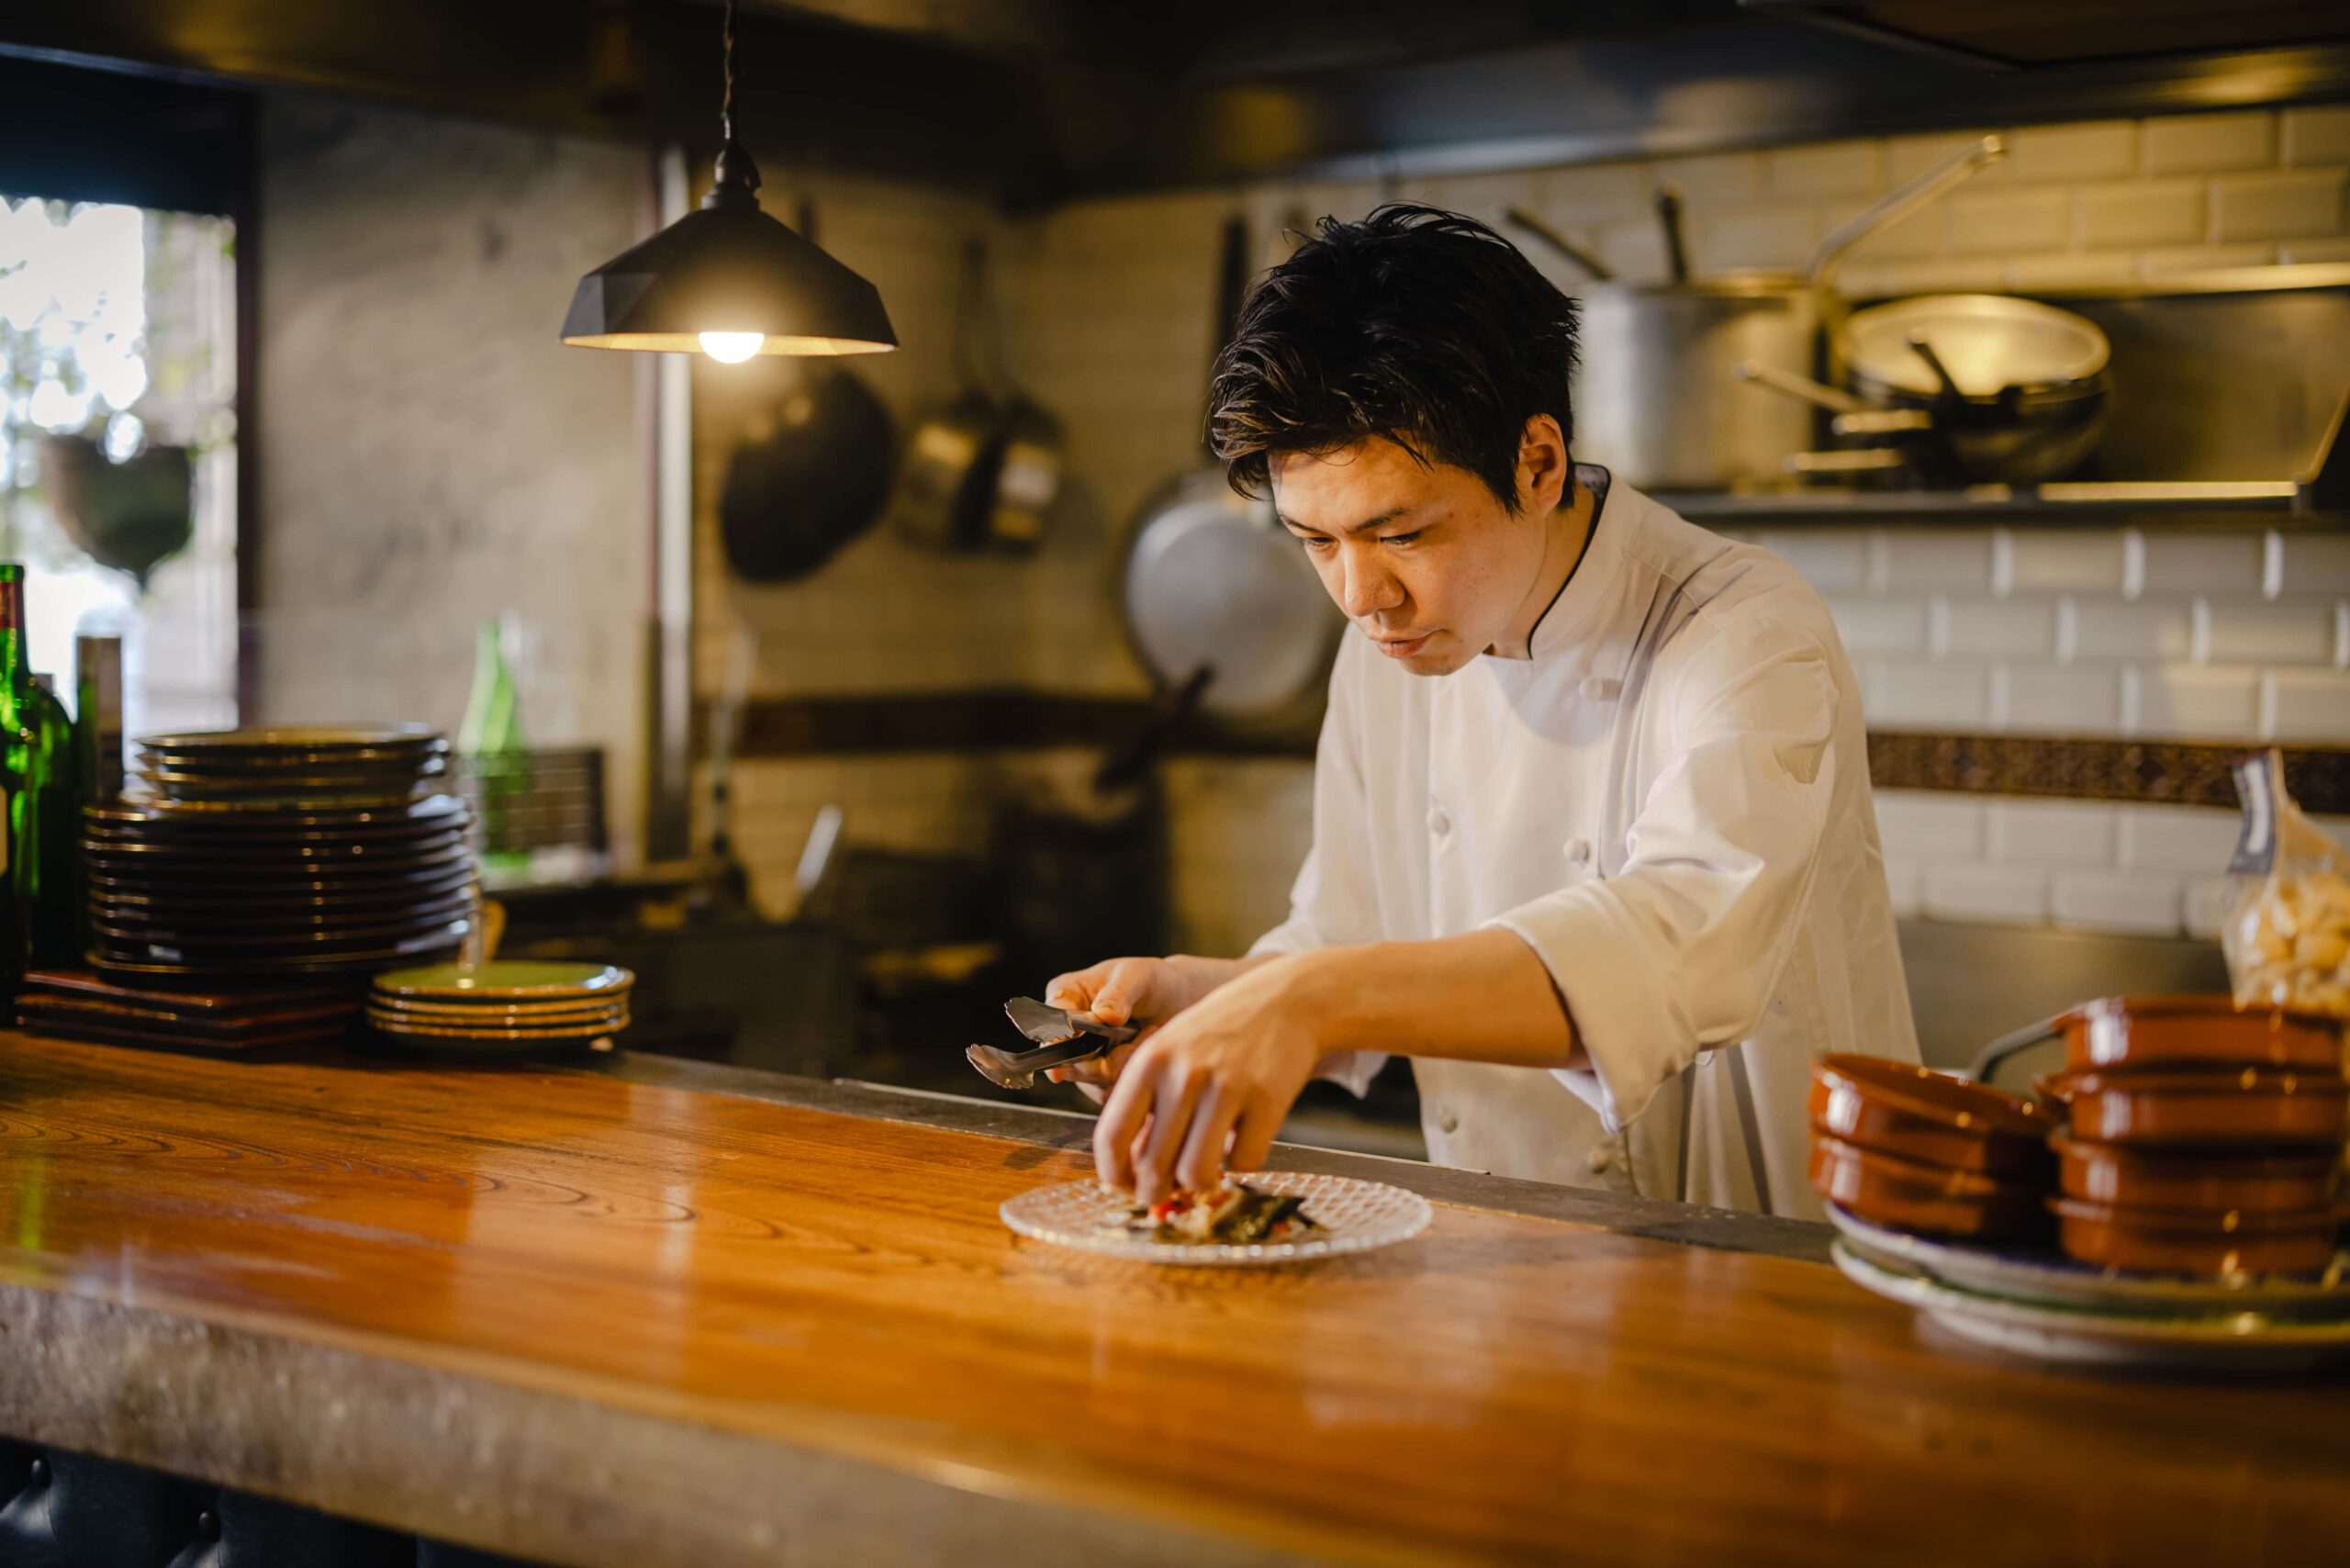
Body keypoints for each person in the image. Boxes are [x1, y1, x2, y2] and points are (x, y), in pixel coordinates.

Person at [1047, 206, 1919, 1219]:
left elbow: (1676, 946)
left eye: (1401, 533)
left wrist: (1300, 1002)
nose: (1359, 595)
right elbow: (1350, 934)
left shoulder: (1742, 629)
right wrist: (1200, 999)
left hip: (1752, 1260)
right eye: (1314, 541)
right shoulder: (1392, 642)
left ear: (1537, 463)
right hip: (1495, 1254)